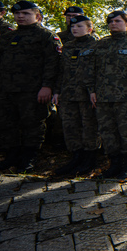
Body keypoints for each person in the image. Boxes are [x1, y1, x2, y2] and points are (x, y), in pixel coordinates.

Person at [0, 1, 62, 173]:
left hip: (32, 89)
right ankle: (11, 156)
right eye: (17, 14)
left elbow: (53, 64)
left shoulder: (46, 36)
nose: (20, 16)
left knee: (32, 123)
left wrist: (47, 86)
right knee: (2, 122)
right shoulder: (8, 36)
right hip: (4, 88)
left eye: (25, 13)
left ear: (37, 16)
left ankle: (29, 158)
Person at [87, 10, 127, 179]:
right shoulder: (101, 44)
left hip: (126, 98)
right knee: (107, 131)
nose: (113, 24)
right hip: (103, 97)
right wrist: (92, 90)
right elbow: (91, 69)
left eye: (117, 21)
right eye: (110, 21)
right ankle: (114, 164)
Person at [52, 15, 100, 176]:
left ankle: (90, 159)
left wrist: (94, 91)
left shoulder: (96, 46)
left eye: (79, 26)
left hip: (87, 94)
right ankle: (76, 158)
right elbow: (61, 71)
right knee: (70, 127)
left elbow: (99, 71)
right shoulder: (67, 47)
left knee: (89, 127)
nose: (75, 29)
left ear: (89, 28)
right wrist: (57, 91)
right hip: (68, 93)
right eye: (73, 26)